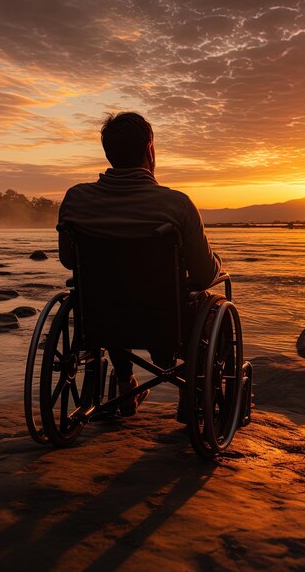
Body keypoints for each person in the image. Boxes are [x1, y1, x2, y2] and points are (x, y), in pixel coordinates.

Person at [58, 111, 221, 416]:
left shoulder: (76, 199)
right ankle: (191, 388)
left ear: (108, 151)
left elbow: (69, 260)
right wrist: (217, 266)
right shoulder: (177, 205)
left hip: (99, 320)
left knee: (112, 294)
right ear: (150, 150)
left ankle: (123, 383)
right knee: (212, 297)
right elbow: (202, 274)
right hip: (163, 320)